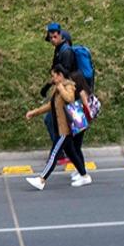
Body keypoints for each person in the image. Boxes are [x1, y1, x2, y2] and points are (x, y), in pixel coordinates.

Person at [25, 65, 91, 190]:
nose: (52, 79)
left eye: (54, 76)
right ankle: (84, 176)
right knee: (72, 154)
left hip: (65, 129)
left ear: (60, 75)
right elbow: (50, 105)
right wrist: (34, 112)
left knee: (54, 154)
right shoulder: (58, 88)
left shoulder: (69, 86)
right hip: (60, 128)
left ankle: (41, 179)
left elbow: (70, 99)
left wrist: (60, 87)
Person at [42, 23, 75, 165]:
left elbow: (64, 74)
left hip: (65, 92)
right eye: (50, 38)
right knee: (55, 121)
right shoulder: (58, 50)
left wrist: (56, 85)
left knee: (51, 120)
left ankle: (60, 153)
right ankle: (64, 152)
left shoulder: (66, 52)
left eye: (54, 37)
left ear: (61, 36)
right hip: (61, 91)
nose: (52, 40)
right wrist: (47, 86)